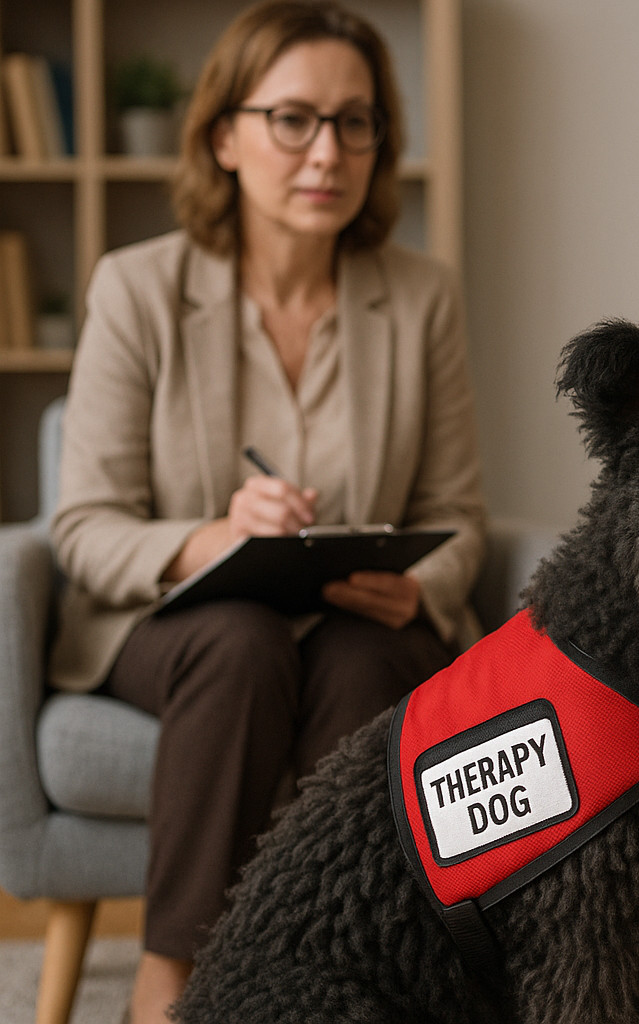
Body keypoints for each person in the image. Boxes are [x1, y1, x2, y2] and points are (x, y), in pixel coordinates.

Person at [48, 3, 486, 1021]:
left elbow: (458, 514)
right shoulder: (137, 289)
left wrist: (418, 586)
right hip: (177, 628)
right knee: (241, 641)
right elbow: (84, 527)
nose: (327, 152)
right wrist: (216, 540)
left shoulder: (420, 296)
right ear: (223, 137)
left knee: (367, 657)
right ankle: (173, 980)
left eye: (354, 122)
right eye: (293, 119)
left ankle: (330, 976)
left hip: (354, 623)